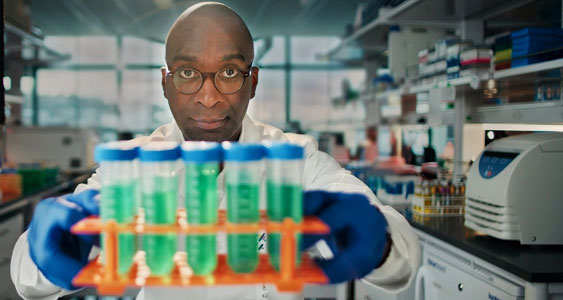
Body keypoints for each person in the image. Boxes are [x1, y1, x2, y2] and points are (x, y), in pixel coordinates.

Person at [11, 2, 420, 299]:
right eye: (188, 73)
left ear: (253, 81)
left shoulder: (296, 159)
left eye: (228, 72)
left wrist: (379, 240)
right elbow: (25, 279)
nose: (208, 98)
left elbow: (404, 257)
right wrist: (49, 248)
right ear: (165, 82)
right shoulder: (133, 166)